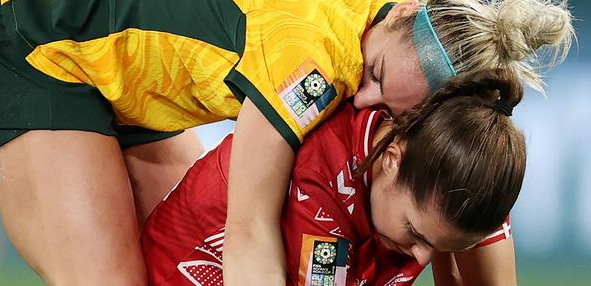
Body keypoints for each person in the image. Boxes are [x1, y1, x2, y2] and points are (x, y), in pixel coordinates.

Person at [0, 0, 573, 284]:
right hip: (30, 51)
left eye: (389, 102)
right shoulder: (311, 61)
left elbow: (465, 196)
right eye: (373, 74)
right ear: (405, 10)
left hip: (128, 90)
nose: (366, 96)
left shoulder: (406, 36)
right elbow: (246, 235)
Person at [142, 68, 525, 285]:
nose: (422, 256)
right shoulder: (320, 191)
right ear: (391, 158)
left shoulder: (459, 177)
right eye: (416, 232)